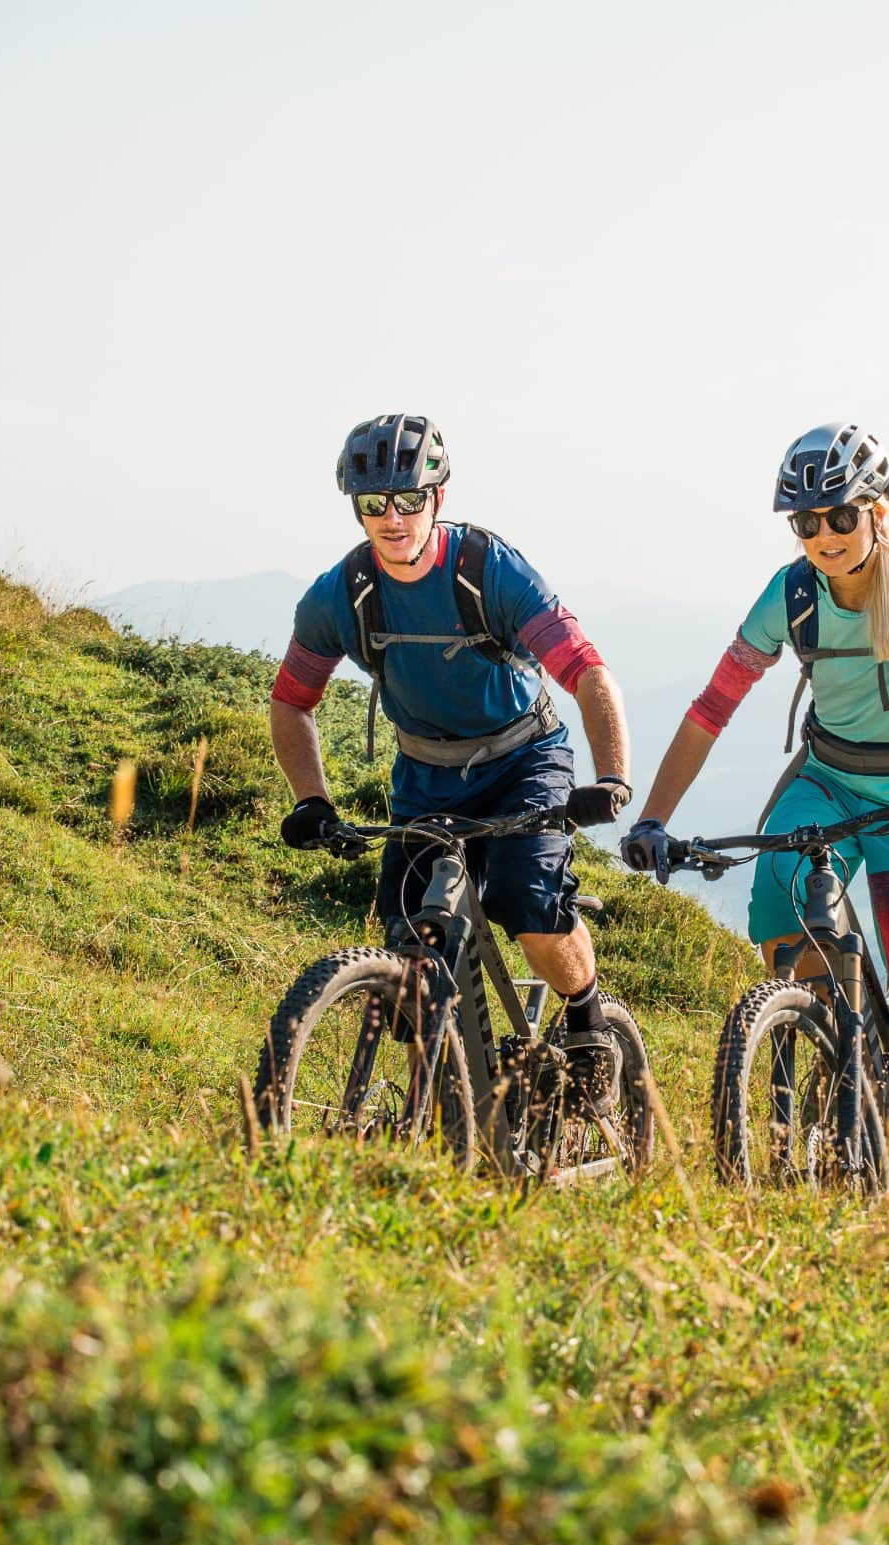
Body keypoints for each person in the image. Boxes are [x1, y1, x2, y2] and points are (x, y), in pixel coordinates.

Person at [623, 423, 889, 1215]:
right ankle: (839, 1038)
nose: (822, 535)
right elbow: (710, 711)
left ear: (879, 511)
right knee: (779, 891)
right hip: (827, 778)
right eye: (805, 521)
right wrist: (654, 817)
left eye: (839, 515)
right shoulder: (790, 596)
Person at [270, 413, 633, 1089]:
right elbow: (292, 698)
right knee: (406, 947)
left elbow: (585, 671)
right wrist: (311, 799)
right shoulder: (341, 596)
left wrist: (612, 777)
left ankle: (586, 1022)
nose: (392, 517)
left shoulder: (488, 571)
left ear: (437, 496)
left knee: (530, 900)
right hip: (426, 775)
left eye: (409, 499)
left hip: (526, 759)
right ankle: (450, 1107)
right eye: (373, 504)